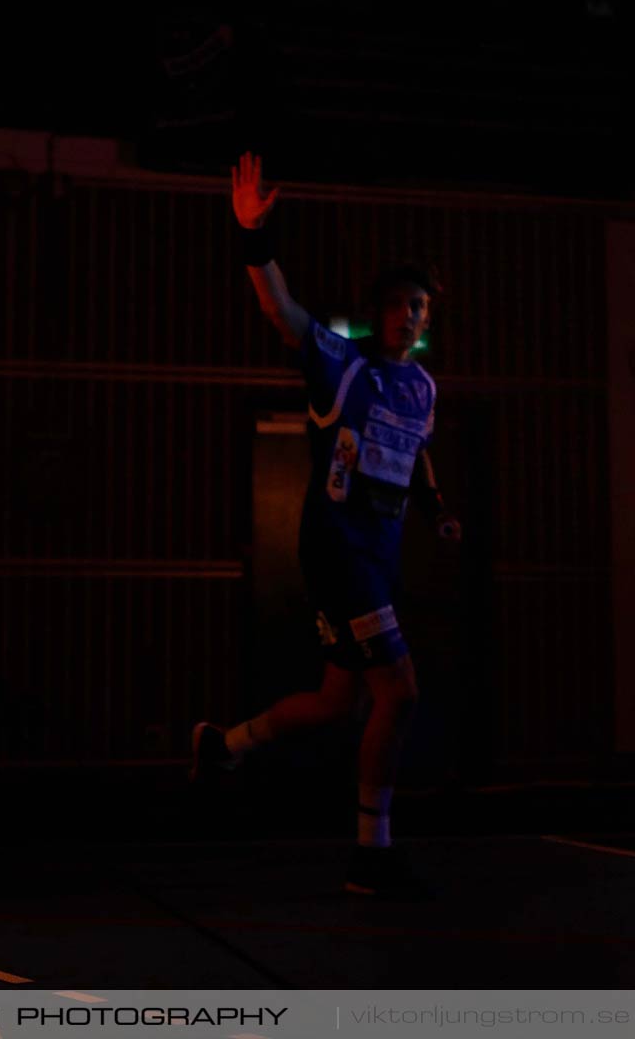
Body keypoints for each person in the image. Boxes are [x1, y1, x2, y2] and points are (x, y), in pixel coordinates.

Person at [192, 153, 462, 898]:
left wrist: (436, 509)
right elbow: (281, 308)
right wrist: (253, 234)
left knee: (338, 699)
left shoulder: (422, 385)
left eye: (424, 309)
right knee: (400, 693)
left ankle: (227, 745)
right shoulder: (343, 365)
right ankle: (371, 853)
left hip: (380, 552)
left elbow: (418, 455)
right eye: (404, 303)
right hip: (339, 550)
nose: (413, 315)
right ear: (379, 310)